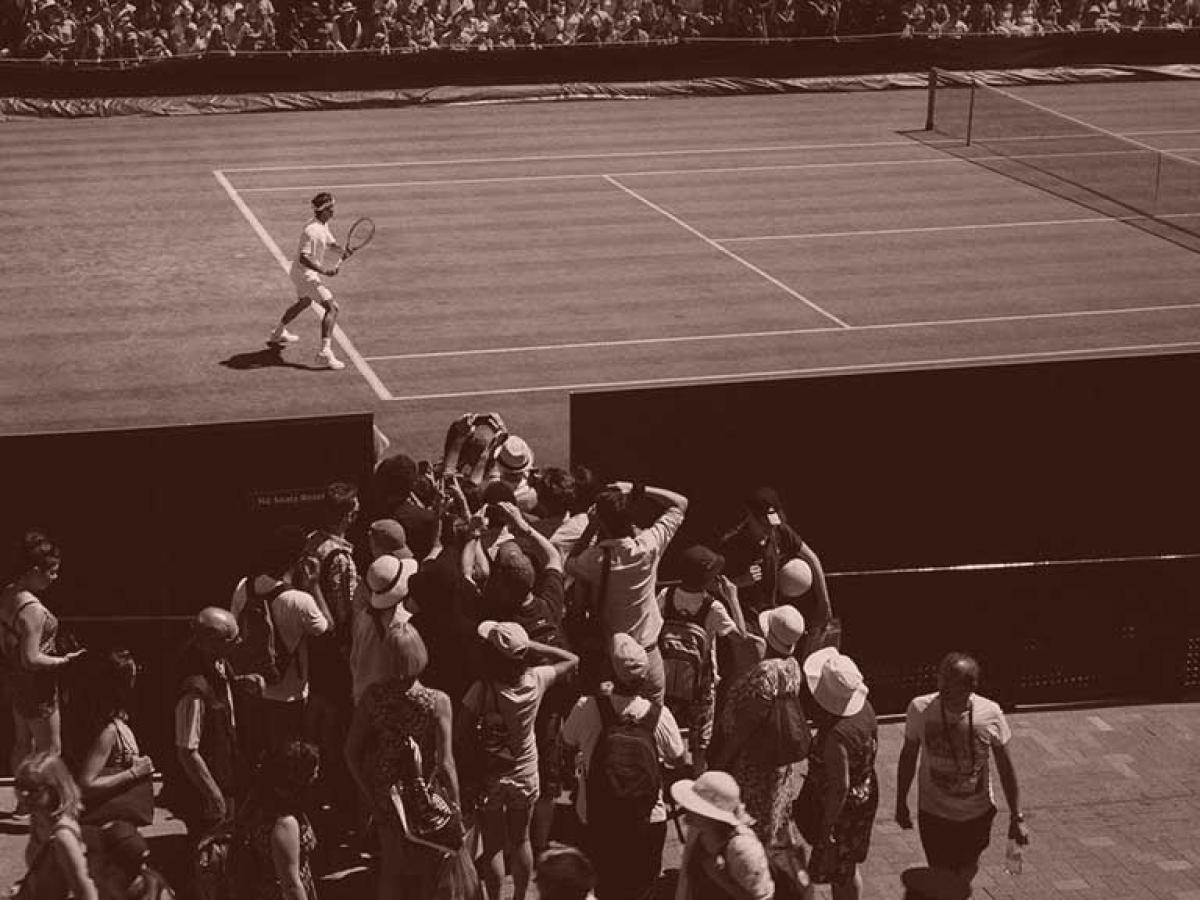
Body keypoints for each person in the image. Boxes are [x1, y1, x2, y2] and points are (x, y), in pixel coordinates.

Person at [560, 633, 686, 900]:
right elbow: (677, 756)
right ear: (644, 678)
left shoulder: (587, 706)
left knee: (605, 886)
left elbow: (568, 739)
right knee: (642, 887)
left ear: (611, 671)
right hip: (647, 819)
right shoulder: (659, 716)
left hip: (597, 815)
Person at [462, 621, 578, 900]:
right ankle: (520, 896)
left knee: (493, 847)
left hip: (491, 774)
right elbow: (573, 660)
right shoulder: (536, 680)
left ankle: (494, 896)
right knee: (521, 839)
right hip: (525, 771)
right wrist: (531, 648)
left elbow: (461, 732)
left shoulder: (482, 689)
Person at [344, 625, 462, 900]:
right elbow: (446, 762)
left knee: (392, 871)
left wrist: (369, 792)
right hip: (424, 794)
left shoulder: (372, 697)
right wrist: (455, 807)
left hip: (388, 793)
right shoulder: (437, 701)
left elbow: (350, 751)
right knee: (429, 870)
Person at [895, 652, 1030, 887]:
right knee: (939, 871)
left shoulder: (990, 713)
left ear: (971, 686)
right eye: (942, 680)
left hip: (976, 814)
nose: (944, 688)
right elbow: (908, 755)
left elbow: (1006, 767)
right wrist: (900, 801)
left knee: (967, 868)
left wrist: (1017, 816)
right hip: (933, 812)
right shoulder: (920, 708)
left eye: (952, 683)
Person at [565, 481, 689, 705]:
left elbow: (569, 563)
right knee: (652, 722)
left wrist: (591, 527)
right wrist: (636, 488)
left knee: (608, 724)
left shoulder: (595, 559)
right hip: (648, 653)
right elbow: (680, 503)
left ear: (602, 521)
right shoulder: (648, 547)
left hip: (611, 659)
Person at [709, 606, 808, 870]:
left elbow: (745, 727)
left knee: (750, 822)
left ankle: (751, 872)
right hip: (776, 762)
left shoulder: (765, 674)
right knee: (769, 816)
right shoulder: (793, 667)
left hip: (754, 762)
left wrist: (722, 761)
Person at [229, 525, 332, 766]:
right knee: (289, 759)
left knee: (258, 757)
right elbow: (327, 628)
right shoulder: (300, 600)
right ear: (298, 561)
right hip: (289, 694)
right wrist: (314, 585)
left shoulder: (244, 586)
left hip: (252, 688)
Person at [0, 531, 86, 789]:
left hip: (17, 681)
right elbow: (31, 658)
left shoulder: (8, 593)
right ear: (36, 569)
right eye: (52, 572)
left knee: (23, 742)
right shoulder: (33, 610)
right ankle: (43, 803)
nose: (55, 578)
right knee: (51, 750)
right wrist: (63, 661)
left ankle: (24, 800)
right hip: (38, 687)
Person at [799, 648, 878, 900]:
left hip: (843, 812)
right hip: (864, 795)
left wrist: (826, 829)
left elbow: (839, 787)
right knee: (847, 868)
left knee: (839, 869)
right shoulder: (865, 709)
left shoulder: (835, 737)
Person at [656, 545, 740, 776]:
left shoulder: (666, 596)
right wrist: (733, 598)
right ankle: (696, 786)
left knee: (662, 734)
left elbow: (651, 627)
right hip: (701, 688)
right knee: (699, 747)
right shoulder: (713, 607)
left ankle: (660, 778)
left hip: (668, 682)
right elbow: (742, 639)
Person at [171, 607, 245, 841]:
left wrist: (242, 682)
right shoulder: (194, 691)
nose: (240, 642)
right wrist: (214, 796)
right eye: (234, 639)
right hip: (206, 793)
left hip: (226, 773)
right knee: (208, 853)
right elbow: (187, 750)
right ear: (214, 643)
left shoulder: (216, 661)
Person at [72, 649, 155, 828]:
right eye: (133, 674)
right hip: (108, 825)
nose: (136, 679)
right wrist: (134, 773)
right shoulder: (108, 731)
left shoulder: (112, 719)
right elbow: (86, 784)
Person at [232, 739, 321, 900]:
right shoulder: (285, 824)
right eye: (312, 774)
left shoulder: (260, 802)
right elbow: (291, 886)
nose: (316, 776)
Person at [267, 190, 347, 370]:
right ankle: (325, 352)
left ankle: (277, 333)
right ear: (325, 210)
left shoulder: (320, 224)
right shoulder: (313, 230)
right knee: (332, 308)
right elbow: (305, 257)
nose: (334, 210)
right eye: (332, 207)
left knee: (304, 302)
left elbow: (330, 244)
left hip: (298, 272)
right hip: (305, 274)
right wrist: (324, 271)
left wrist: (342, 251)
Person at [670, 770, 774, 900]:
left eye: (695, 807)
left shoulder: (743, 849)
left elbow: (762, 897)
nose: (686, 811)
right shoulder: (699, 831)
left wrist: (722, 880)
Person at [13, 751, 99, 900]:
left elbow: (86, 893)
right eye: (20, 785)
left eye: (33, 788)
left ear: (54, 789)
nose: (24, 794)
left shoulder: (63, 837)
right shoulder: (38, 818)